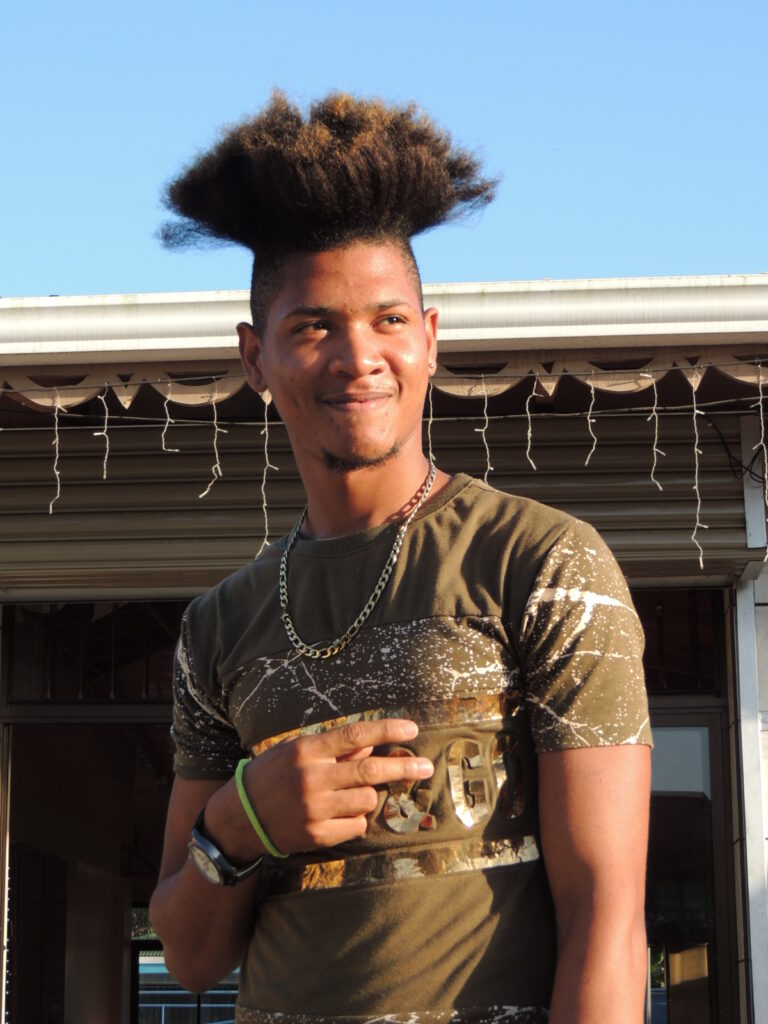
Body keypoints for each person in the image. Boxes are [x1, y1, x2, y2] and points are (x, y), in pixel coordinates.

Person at [149, 92, 652, 1024]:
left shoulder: (543, 564)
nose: (358, 356)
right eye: (313, 326)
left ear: (430, 338)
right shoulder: (218, 627)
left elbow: (607, 916)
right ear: (254, 359)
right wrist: (242, 822)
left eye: (387, 320)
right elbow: (188, 958)